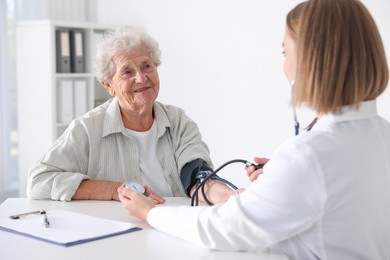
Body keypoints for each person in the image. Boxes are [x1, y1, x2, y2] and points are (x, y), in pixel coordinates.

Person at [117, 0, 390, 259]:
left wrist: (149, 212)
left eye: (285, 52)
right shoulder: (381, 134)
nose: (141, 78)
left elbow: (224, 229)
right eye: (127, 72)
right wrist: (282, 179)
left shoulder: (310, 156)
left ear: (312, 62)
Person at [26, 25, 236, 203]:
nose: (141, 78)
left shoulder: (179, 122)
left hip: (175, 228)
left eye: (147, 66)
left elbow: (197, 177)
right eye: (127, 72)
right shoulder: (87, 129)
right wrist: (116, 190)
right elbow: (38, 181)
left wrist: (231, 197)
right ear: (108, 86)